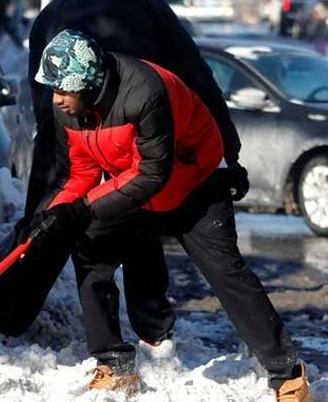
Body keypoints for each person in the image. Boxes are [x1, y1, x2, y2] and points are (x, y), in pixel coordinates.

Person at [20, 29, 310, 401]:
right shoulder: (70, 110)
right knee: (89, 248)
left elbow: (153, 173)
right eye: (53, 90)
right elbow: (80, 174)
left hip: (193, 181)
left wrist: (82, 209)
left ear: (88, 83)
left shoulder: (144, 91)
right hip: (132, 185)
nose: (56, 99)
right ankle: (113, 363)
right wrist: (52, 216)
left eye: (63, 90)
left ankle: (287, 373)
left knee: (226, 272)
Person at [0, 0, 245, 357]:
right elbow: (198, 75)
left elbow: (46, 106)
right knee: (141, 209)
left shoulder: (50, 16)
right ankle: (153, 328)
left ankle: (9, 321)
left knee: (51, 220)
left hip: (75, 124)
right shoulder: (148, 2)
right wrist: (230, 150)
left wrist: (42, 198)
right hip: (146, 119)